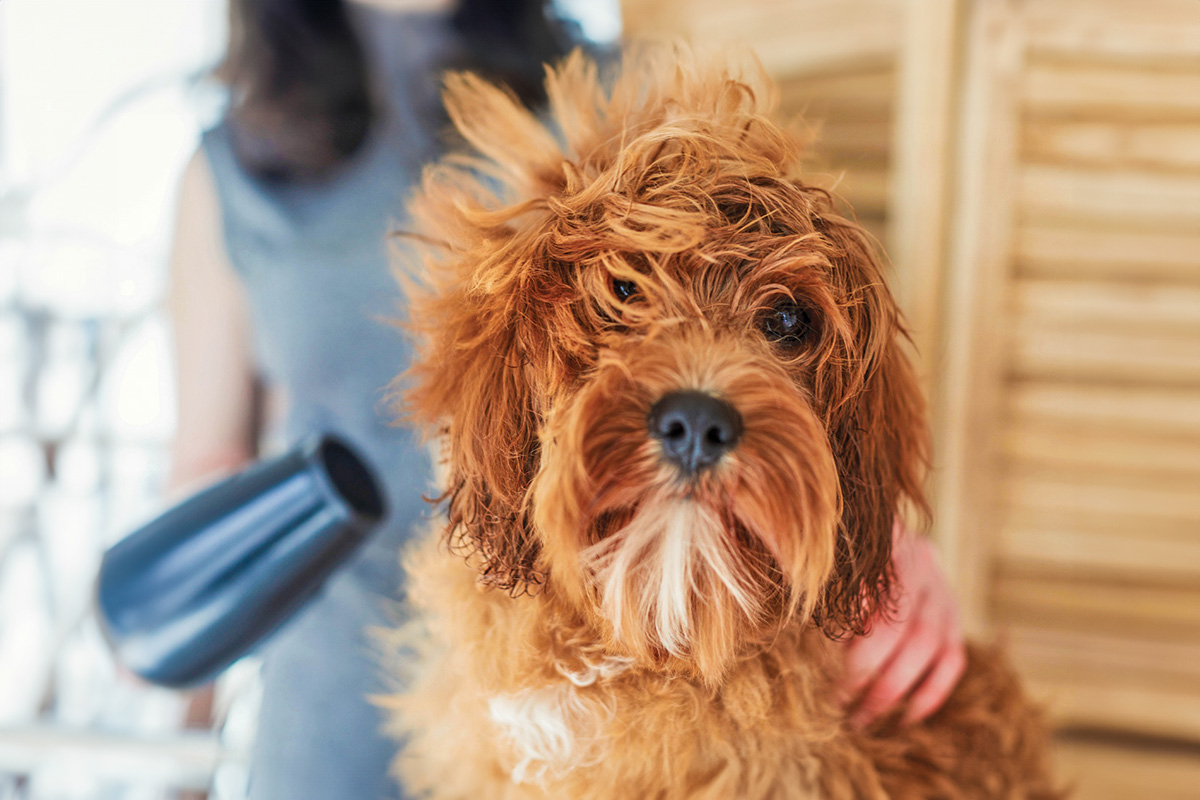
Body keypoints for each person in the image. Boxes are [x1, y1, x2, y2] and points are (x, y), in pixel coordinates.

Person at [166, 1, 965, 797]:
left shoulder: (637, 97)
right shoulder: (229, 175)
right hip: (331, 718)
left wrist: (884, 544)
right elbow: (207, 467)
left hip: (632, 705)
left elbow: (793, 329)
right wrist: (178, 699)